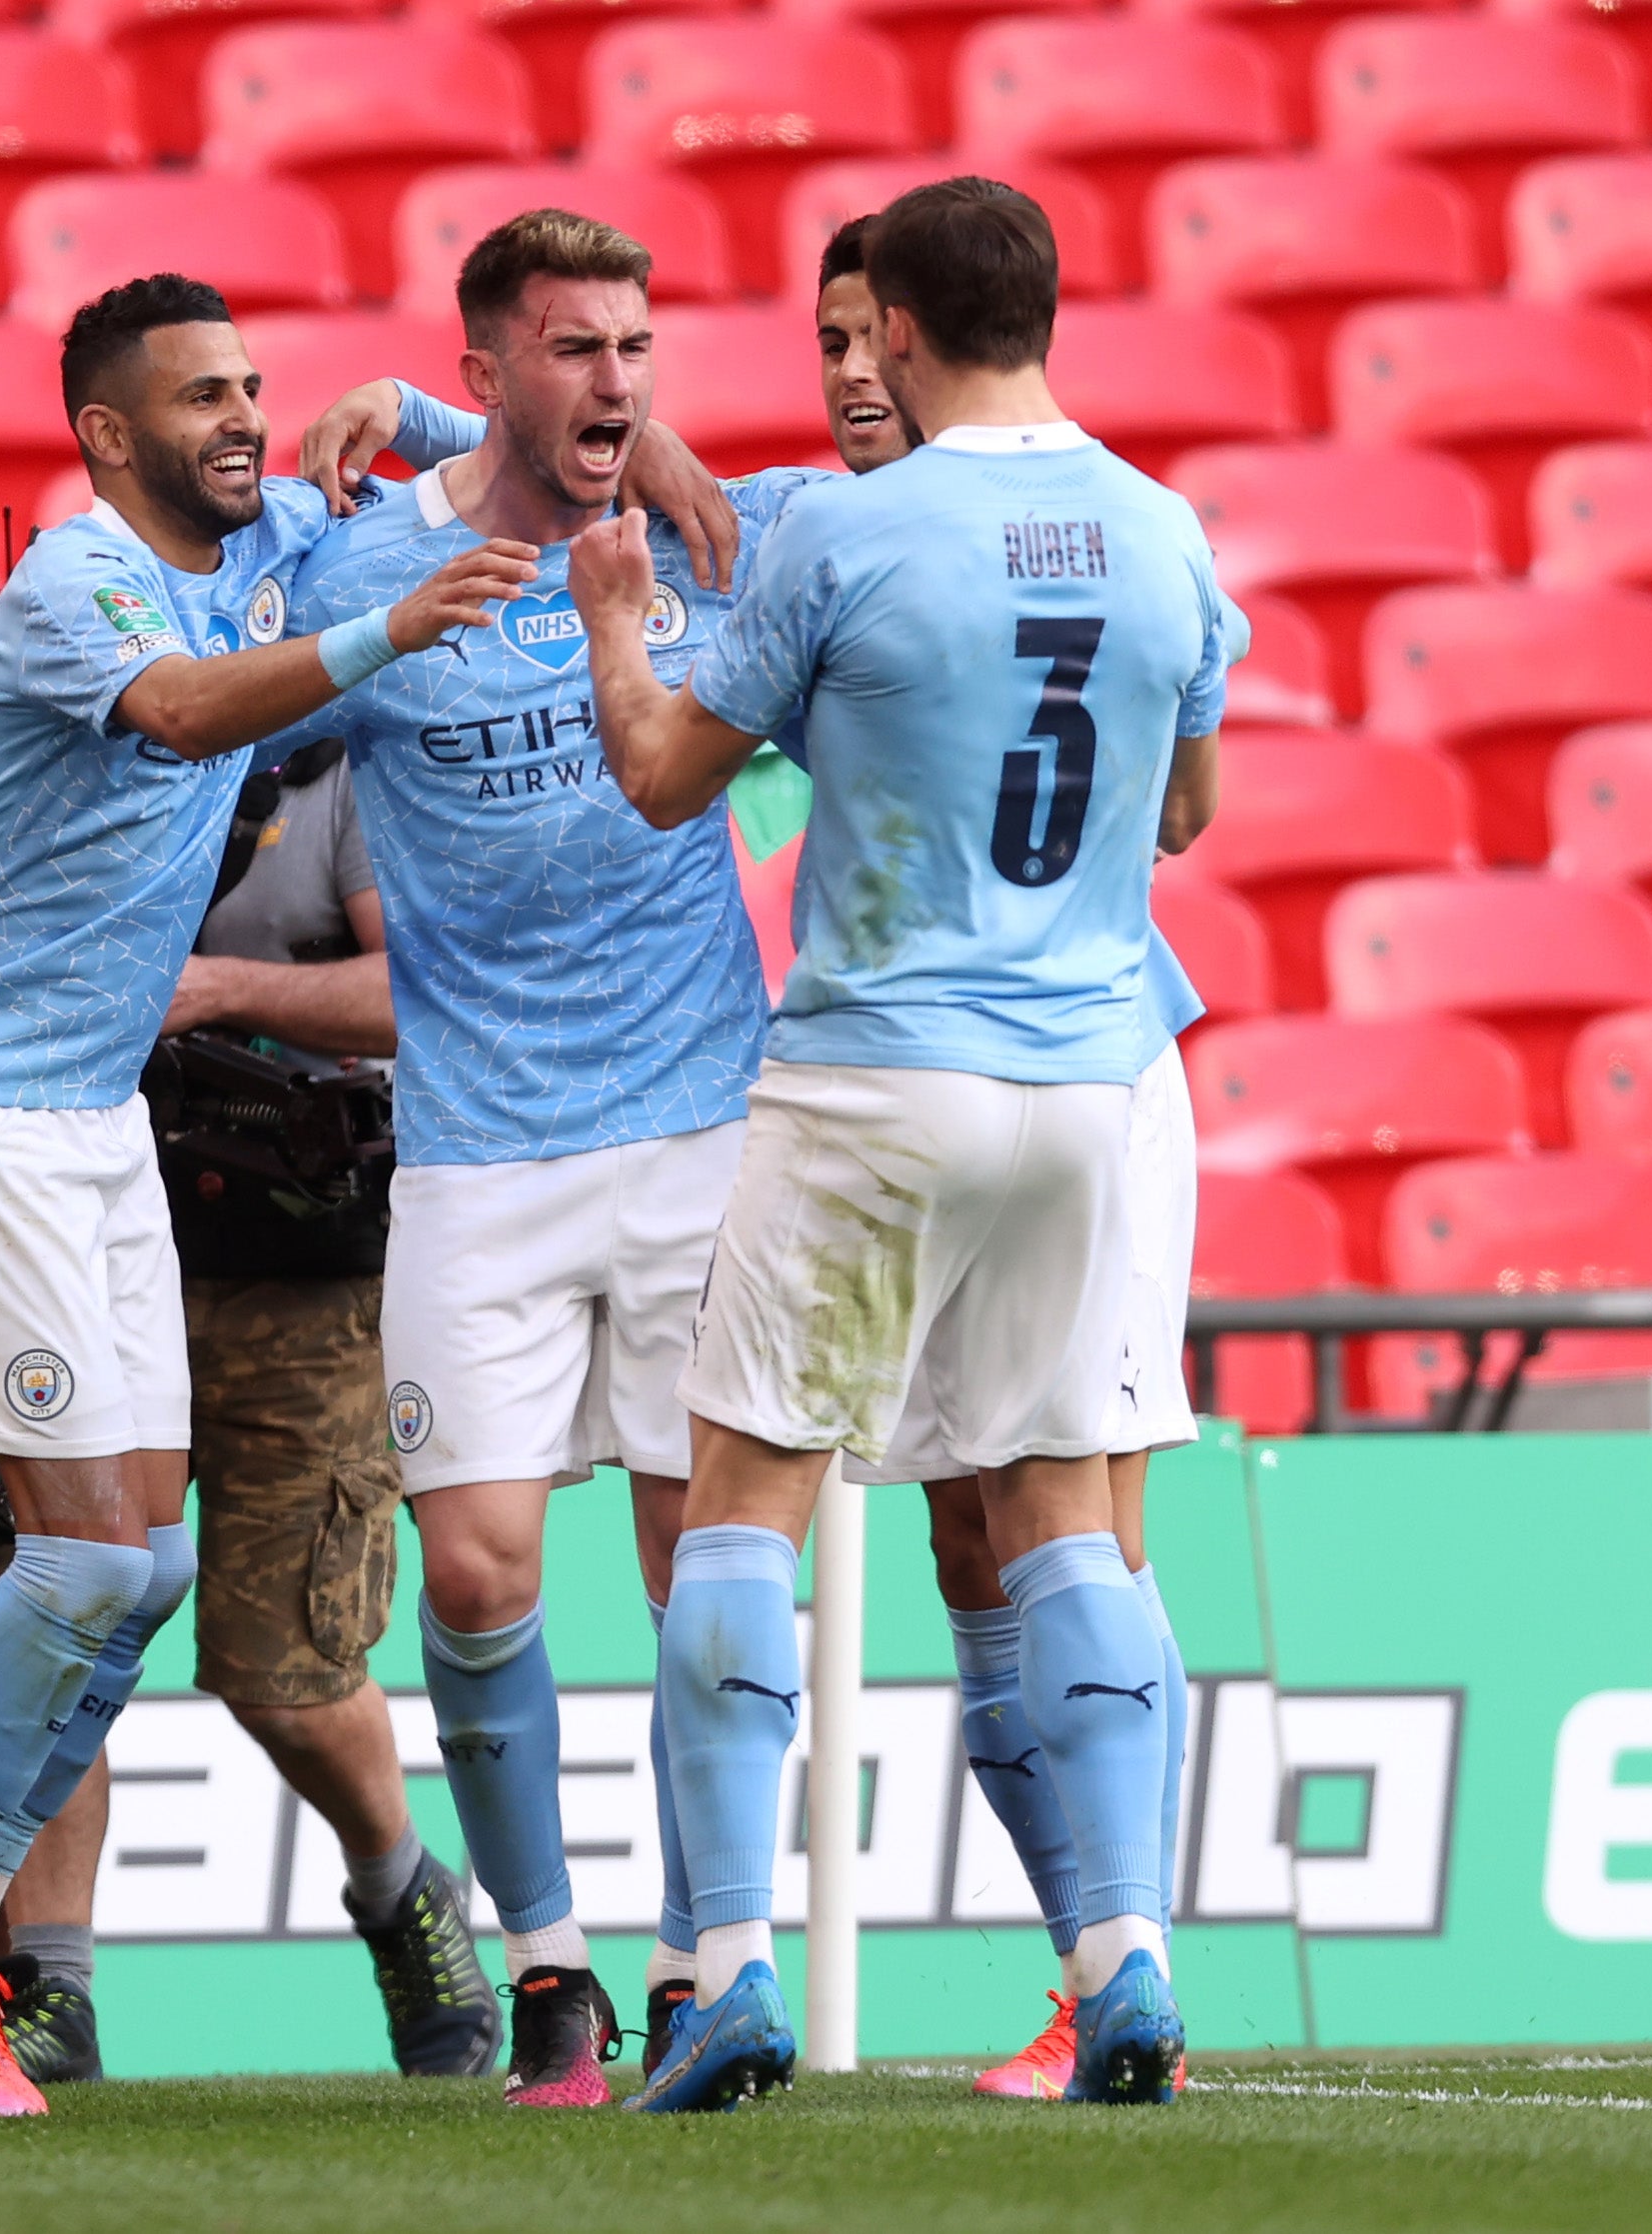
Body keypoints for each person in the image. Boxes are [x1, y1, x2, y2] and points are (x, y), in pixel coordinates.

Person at [0, 273, 544, 2118]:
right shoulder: (75, 583)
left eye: (250, 387)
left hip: (83, 1115)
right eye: (195, 396)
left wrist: (415, 410)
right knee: (72, 1555)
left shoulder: (277, 527)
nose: (239, 417)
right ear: (105, 437)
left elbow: (524, 473)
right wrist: (384, 629)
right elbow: (192, 709)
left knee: (129, 1574)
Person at [570, 177, 1242, 2112]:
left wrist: (624, 624)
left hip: (882, 1067)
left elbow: (659, 776)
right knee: (1056, 1506)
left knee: (745, 1500)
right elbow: (1185, 805)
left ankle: (726, 1967)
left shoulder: (857, 535)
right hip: (1097, 1078)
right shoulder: (1164, 525)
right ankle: (1125, 1953)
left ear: (910, 333)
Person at [265, 209, 827, 2109]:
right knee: (486, 1578)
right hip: (478, 1152)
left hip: (695, 1130)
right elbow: (241, 699)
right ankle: (549, 1971)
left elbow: (771, 543)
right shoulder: (372, 573)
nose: (616, 383)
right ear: (494, 357)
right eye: (573, 350)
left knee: (702, 1573)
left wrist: (457, 415)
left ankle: (700, 1963)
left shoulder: (690, 540)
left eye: (635, 350)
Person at [785, 218, 1223, 2100]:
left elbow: (1182, 822)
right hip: (974, 1076)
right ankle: (1089, 1967)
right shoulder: (876, 533)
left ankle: (1128, 1954)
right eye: (817, 346)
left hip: (1079, 1062)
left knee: (1075, 1511)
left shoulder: (931, 541)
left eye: (863, 339)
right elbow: (1192, 795)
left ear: (914, 333)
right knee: (972, 1522)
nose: (847, 375)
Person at [0, 733, 505, 2086]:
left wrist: (213, 991)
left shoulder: (351, 776)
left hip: (304, 1276)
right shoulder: (79, 746)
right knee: (56, 1627)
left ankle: (399, 1885)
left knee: (282, 1668)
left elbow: (420, 990)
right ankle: (55, 1984)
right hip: (84, 1254)